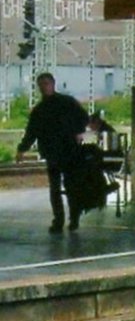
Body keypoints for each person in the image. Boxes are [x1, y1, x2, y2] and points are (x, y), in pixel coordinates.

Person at [16, 72, 89, 233]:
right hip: (54, 153)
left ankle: (72, 219)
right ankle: (60, 220)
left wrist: (78, 131)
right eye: (41, 85)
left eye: (46, 84)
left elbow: (84, 118)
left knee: (69, 187)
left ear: (52, 84)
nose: (44, 87)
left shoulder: (65, 103)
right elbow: (31, 132)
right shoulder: (40, 110)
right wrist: (22, 148)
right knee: (56, 188)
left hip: (69, 151)